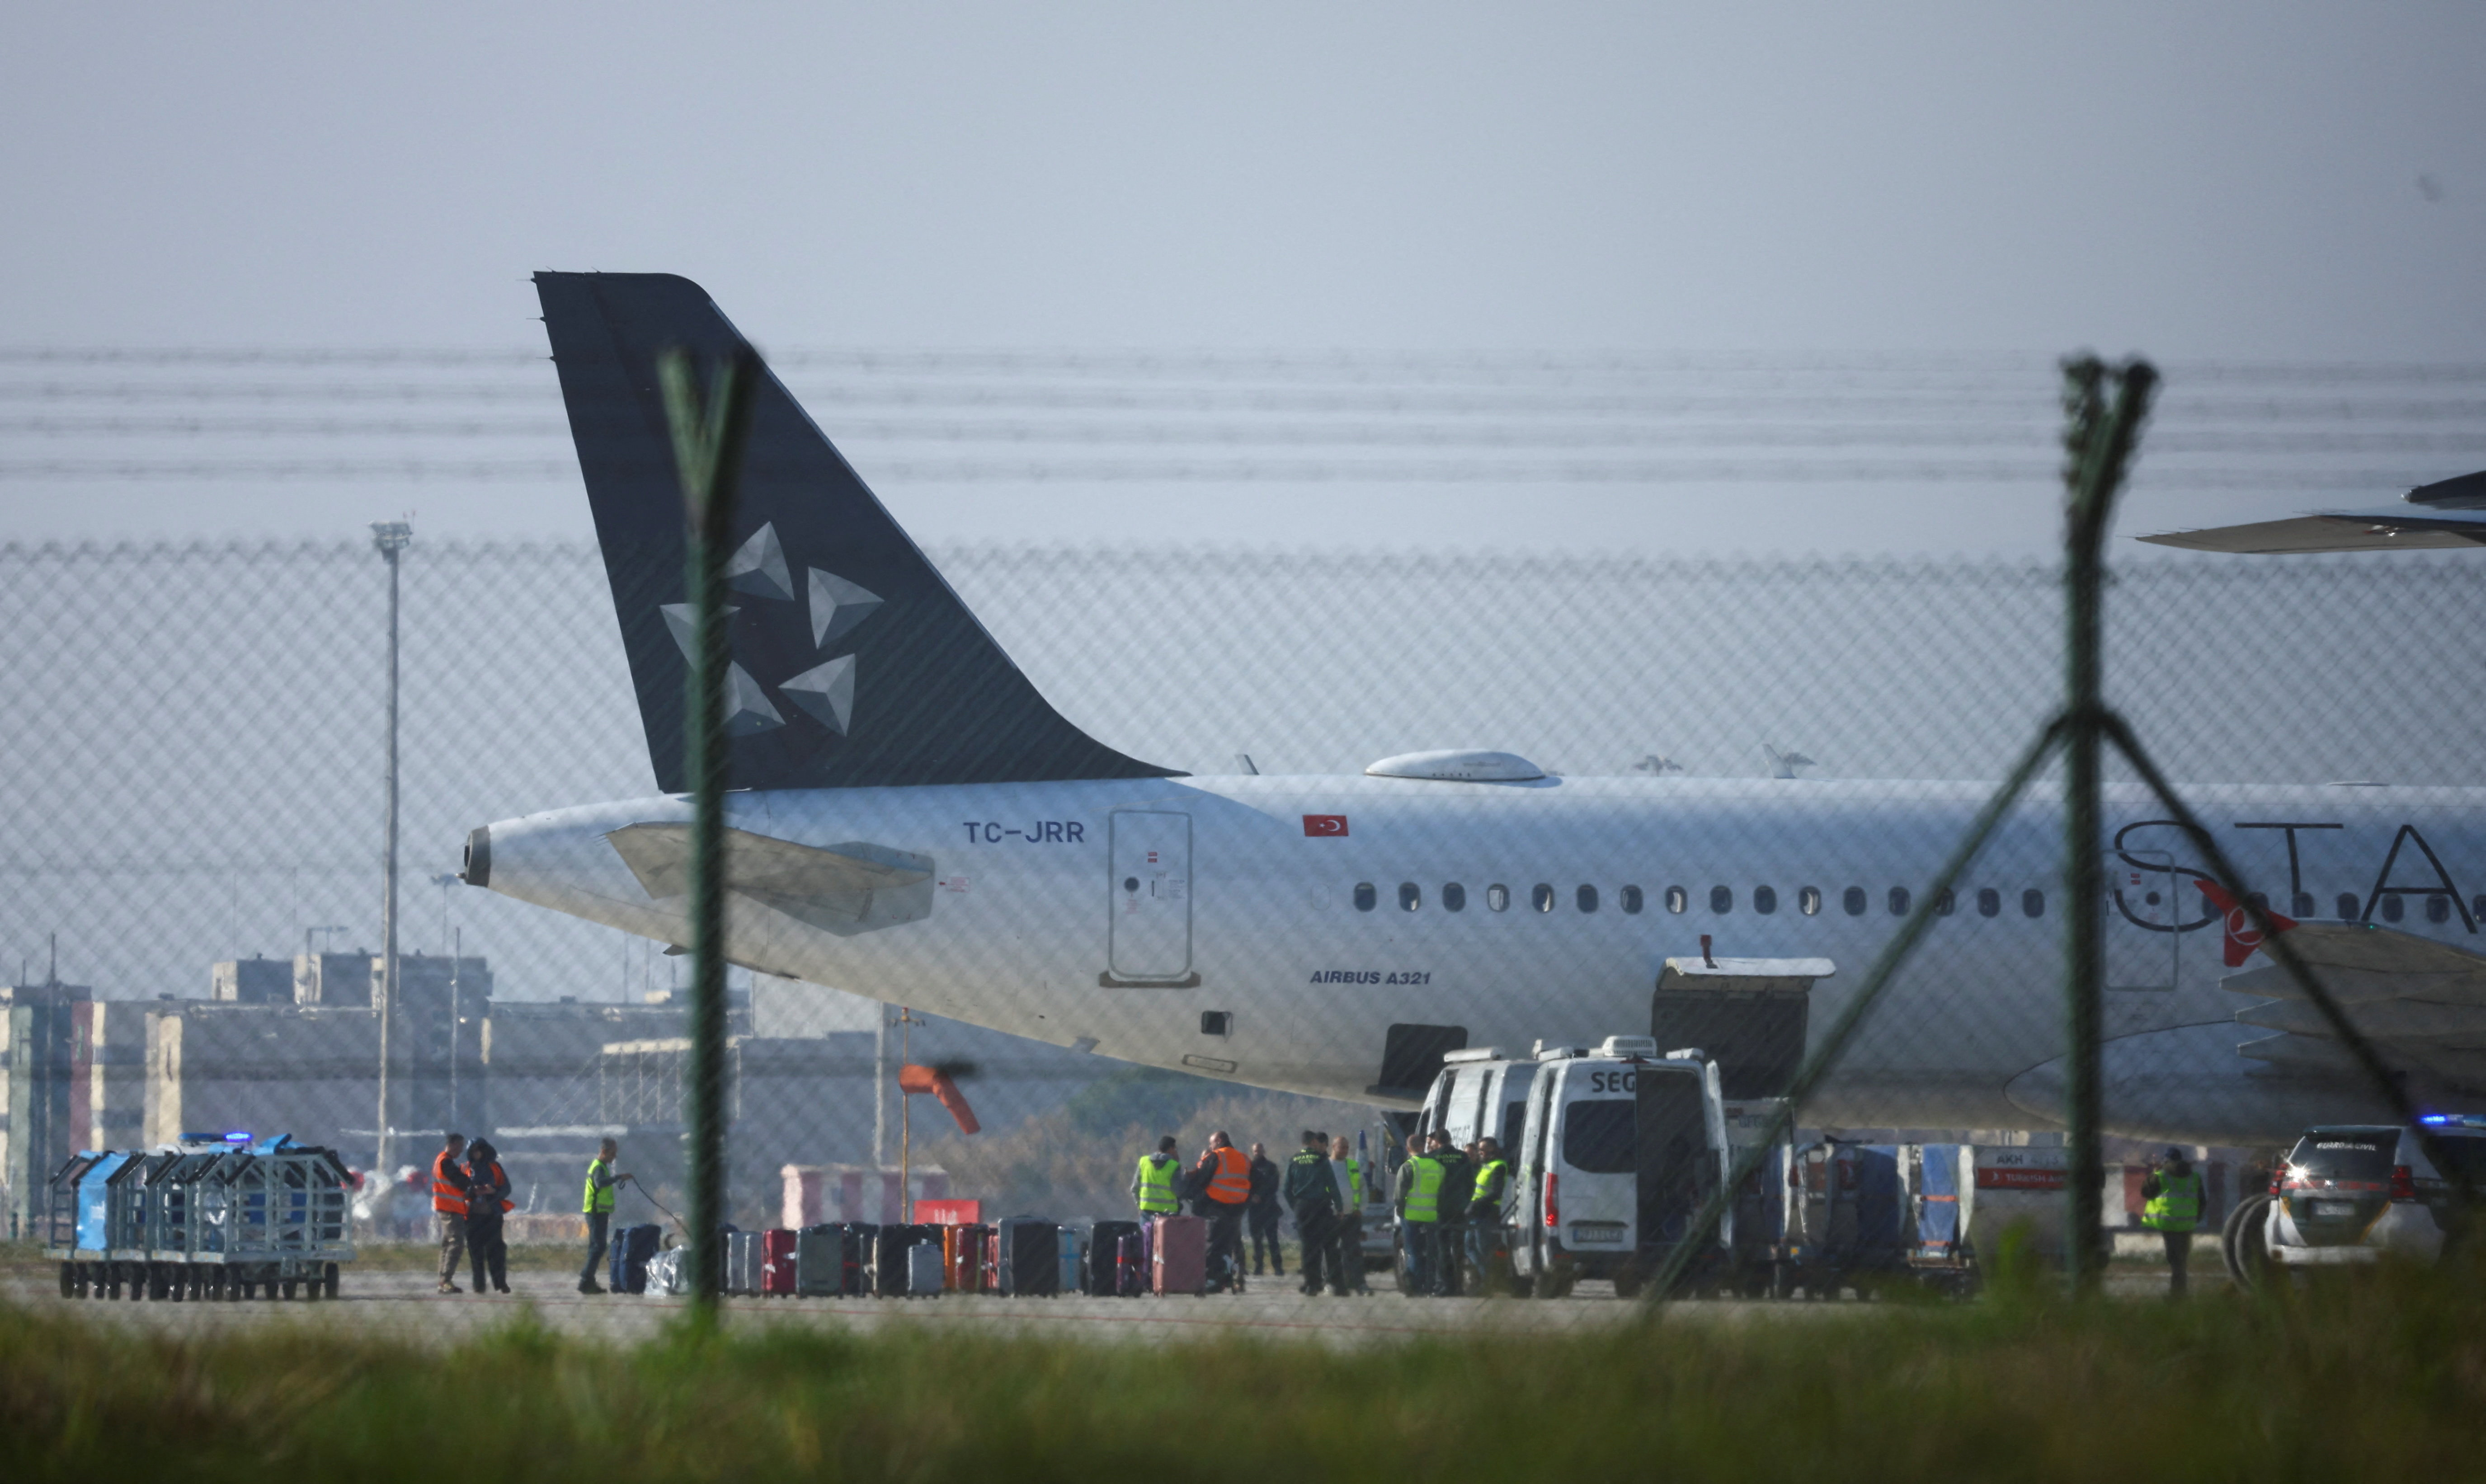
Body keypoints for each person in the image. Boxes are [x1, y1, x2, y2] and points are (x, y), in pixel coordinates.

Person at [1283, 1129, 1342, 1296]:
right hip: (1321, 1206)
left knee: (1308, 1246)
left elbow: (1286, 1189)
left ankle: (1311, 1284)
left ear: (1303, 1143)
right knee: (1327, 1244)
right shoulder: (1321, 1159)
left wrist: (1295, 1206)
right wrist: (1339, 1207)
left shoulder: (1294, 1160)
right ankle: (1332, 1281)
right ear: (1314, 1142)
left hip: (1303, 1207)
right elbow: (1333, 1185)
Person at [2142, 1146, 2205, 1296]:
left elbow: (2146, 1192)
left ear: (2166, 1160)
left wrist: (2154, 1172)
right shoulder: (2194, 1176)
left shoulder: (2161, 1175)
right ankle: (2180, 1290)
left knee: (2174, 1258)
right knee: (2182, 1258)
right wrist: (2197, 1217)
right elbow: (2202, 1200)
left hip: (2169, 1222)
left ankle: (2177, 1293)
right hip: (2187, 1223)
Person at [1195, 1131, 1253, 1291]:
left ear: (1219, 1141)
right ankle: (1229, 1279)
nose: (1210, 1146)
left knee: (1213, 1245)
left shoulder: (1216, 1157)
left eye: (1212, 1143)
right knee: (1231, 1245)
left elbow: (1202, 1179)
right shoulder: (1244, 1159)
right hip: (1237, 1209)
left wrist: (1198, 1201)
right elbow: (1256, 1182)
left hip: (1217, 1206)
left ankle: (1212, 1280)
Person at [578, 1136, 634, 1295]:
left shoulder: (602, 1166)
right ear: (604, 1151)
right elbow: (600, 1183)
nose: (615, 1156)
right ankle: (585, 1280)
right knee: (599, 1246)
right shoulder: (599, 1168)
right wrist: (619, 1178)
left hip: (599, 1212)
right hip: (595, 1212)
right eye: (612, 1153)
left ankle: (588, 1281)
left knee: (596, 1247)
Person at [1395, 1132, 1445, 1297]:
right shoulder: (1438, 1166)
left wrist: (1401, 1211)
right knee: (1431, 1252)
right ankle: (1430, 1285)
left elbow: (1399, 1195)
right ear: (1422, 1146)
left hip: (1411, 1216)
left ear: (1408, 1149)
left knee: (1414, 1252)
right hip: (1432, 1216)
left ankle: (1414, 1286)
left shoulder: (1408, 1167)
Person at [463, 1137, 512, 1296]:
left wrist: (493, 1192)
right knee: (475, 1252)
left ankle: (500, 1282)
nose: (477, 1153)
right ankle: (479, 1285)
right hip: (472, 1216)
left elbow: (506, 1188)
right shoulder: (466, 1168)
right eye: (474, 1150)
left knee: (496, 1251)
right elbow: (458, 1189)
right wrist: (472, 1191)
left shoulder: (495, 1168)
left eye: (480, 1150)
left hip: (492, 1215)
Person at [1428, 1131, 1474, 1296]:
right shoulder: (1462, 1157)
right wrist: (1465, 1201)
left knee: (1443, 1249)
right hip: (1459, 1208)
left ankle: (1447, 1286)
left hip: (1439, 1208)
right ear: (1450, 1140)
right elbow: (1471, 1182)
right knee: (1459, 1248)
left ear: (1436, 1141)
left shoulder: (1433, 1157)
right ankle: (1459, 1286)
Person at [1465, 1136, 1512, 1292]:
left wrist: (1476, 1205)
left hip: (1487, 1213)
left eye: (1483, 1150)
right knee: (1470, 1247)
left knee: (1483, 1249)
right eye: (1480, 1150)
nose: (1481, 1153)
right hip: (1476, 1213)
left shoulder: (1499, 1166)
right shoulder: (1486, 1165)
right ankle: (1486, 1279)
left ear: (1493, 1149)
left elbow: (1496, 1193)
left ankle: (1490, 1282)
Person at [1330, 1134, 1373, 1296]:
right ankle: (1333, 1283)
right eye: (1342, 1147)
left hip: (1352, 1217)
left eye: (1347, 1147)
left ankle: (1359, 1284)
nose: (1345, 1151)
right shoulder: (1326, 1166)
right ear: (1334, 1147)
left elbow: (1363, 1190)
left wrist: (1361, 1209)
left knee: (1354, 1252)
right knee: (1332, 1252)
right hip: (1332, 1217)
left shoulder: (1353, 1166)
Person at [431, 1132, 470, 1295]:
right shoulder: (446, 1162)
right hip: (449, 1209)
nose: (461, 1150)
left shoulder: (443, 1161)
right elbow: (461, 1182)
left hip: (449, 1208)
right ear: (453, 1144)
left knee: (448, 1244)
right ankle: (446, 1280)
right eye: (460, 1146)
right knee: (456, 1243)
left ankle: (444, 1280)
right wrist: (468, 1176)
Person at [1246, 1141, 1285, 1277]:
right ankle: (1258, 1267)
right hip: (1254, 1210)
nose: (1258, 1153)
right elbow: (1245, 1185)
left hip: (1270, 1208)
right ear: (1253, 1152)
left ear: (1264, 1151)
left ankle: (1278, 1267)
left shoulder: (1271, 1167)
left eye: (1260, 1150)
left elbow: (1273, 1185)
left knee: (1273, 1239)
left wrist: (1260, 1196)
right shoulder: (1249, 1168)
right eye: (1255, 1151)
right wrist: (1252, 1196)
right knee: (1256, 1239)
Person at [1131, 1135, 1182, 1222]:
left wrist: (1140, 1206)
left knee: (1147, 1236)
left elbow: (1135, 1189)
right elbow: (1179, 1191)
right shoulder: (1174, 1166)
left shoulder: (1144, 1162)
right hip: (1169, 1216)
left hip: (1146, 1214)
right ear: (1171, 1149)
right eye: (1175, 1149)